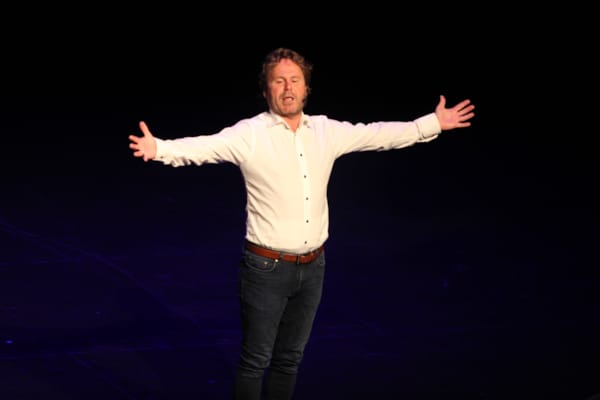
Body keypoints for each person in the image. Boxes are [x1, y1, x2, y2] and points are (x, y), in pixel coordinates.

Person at [128, 47, 475, 400]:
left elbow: (377, 135)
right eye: (279, 81)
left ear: (306, 87)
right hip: (265, 269)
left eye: (294, 80)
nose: (288, 87)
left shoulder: (324, 131)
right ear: (266, 89)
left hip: (313, 268)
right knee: (255, 361)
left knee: (289, 360)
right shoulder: (251, 134)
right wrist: (160, 149)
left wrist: (431, 124)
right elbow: (205, 147)